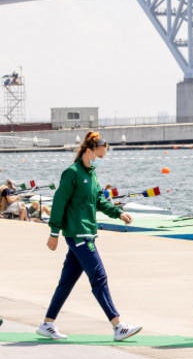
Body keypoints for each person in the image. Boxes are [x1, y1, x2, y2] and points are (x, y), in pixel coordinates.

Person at [37, 131, 142, 341]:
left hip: (87, 233)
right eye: (100, 156)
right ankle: (118, 325)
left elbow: (100, 200)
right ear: (89, 150)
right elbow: (59, 201)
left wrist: (118, 213)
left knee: (66, 281)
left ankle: (47, 323)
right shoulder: (72, 173)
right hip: (78, 234)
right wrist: (54, 232)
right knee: (99, 277)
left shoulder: (91, 173)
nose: (101, 160)